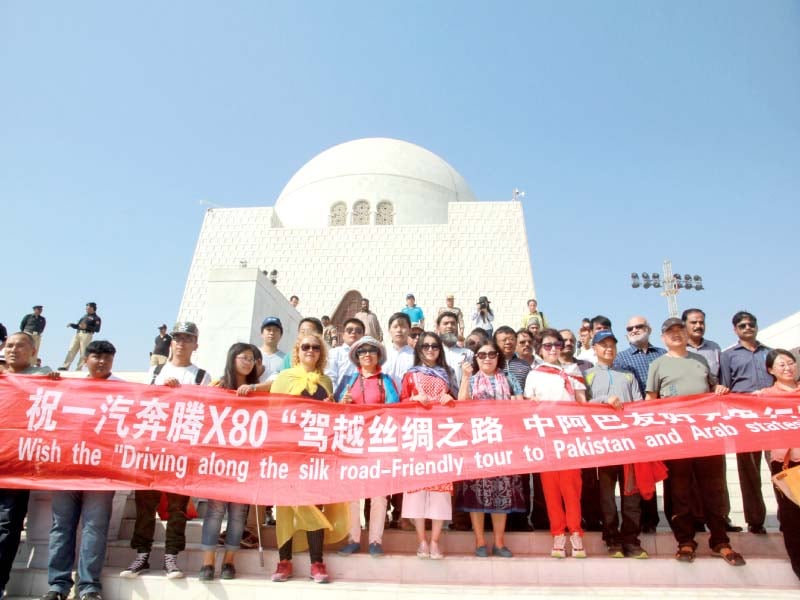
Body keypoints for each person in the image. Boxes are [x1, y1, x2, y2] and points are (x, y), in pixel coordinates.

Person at [646, 318, 744, 566]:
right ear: (663, 337)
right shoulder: (657, 365)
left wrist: (720, 391)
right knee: (679, 492)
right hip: (676, 439)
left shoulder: (700, 361)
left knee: (714, 490)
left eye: (680, 330)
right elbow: (651, 401)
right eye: (671, 331)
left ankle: (720, 541)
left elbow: (713, 390)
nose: (676, 334)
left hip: (706, 437)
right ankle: (685, 541)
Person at [121, 322, 211, 580]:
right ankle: (142, 553)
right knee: (145, 502)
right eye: (178, 338)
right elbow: (143, 404)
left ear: (196, 344)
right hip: (152, 447)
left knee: (177, 506)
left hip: (181, 448)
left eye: (187, 338)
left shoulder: (200, 375)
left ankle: (172, 555)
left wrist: (179, 394)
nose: (181, 343)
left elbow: (203, 409)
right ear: (171, 342)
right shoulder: (155, 371)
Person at [41, 340, 121, 600]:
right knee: (61, 527)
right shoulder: (69, 386)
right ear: (85, 359)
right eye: (96, 356)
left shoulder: (124, 391)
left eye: (107, 358)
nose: (101, 362)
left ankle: (88, 587)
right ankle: (57, 585)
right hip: (67, 469)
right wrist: (49, 382)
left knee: (94, 528)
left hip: (102, 472)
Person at [270, 333, 346, 583]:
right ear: (297, 351)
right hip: (287, 452)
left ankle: (317, 562)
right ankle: (284, 562)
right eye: (305, 347)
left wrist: (334, 406)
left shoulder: (325, 381)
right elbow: (274, 415)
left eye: (315, 347)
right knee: (285, 507)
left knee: (313, 501)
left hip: (315, 454)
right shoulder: (284, 378)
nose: (310, 351)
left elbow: (328, 417)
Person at [0, 333, 58, 599]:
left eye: (20, 345)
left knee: (7, 526)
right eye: (9, 345)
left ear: (33, 350)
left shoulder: (43, 377)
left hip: (16, 465)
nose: (14, 350)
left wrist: (55, 383)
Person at [199, 343, 260, 581]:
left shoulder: (258, 392)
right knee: (214, 513)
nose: (247, 362)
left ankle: (229, 562)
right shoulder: (217, 386)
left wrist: (253, 387)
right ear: (232, 358)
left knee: (237, 515)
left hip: (245, 462)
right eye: (243, 357)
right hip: (219, 461)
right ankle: (207, 563)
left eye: (252, 359)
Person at [457, 340, 525, 557]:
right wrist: (466, 377)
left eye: (491, 354)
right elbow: (461, 403)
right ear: (475, 358)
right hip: (478, 444)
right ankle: (479, 541)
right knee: (477, 493)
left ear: (498, 356)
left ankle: (499, 542)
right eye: (482, 354)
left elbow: (521, 401)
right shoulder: (471, 379)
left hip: (503, 444)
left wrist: (517, 402)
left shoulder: (507, 378)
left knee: (501, 493)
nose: (487, 358)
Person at [583, 331, 648, 558]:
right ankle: (612, 540)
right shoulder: (587, 375)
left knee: (631, 495)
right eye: (603, 345)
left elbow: (639, 405)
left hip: (629, 444)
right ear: (595, 349)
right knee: (607, 497)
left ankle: (632, 540)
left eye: (612, 345)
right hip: (603, 445)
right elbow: (582, 405)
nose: (608, 349)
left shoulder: (628, 375)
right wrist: (603, 401)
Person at [523, 328, 587, 558]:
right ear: (539, 349)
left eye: (556, 345)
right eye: (547, 345)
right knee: (550, 488)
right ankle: (558, 533)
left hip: (570, 436)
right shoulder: (534, 374)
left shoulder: (572, 370)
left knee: (571, 487)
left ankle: (576, 532)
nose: (552, 349)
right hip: (546, 437)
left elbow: (582, 402)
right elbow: (530, 404)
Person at [336, 337, 399, 557]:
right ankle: (353, 538)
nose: (367, 354)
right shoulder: (349, 380)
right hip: (354, 444)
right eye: (362, 351)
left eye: (372, 350)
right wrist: (342, 404)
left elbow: (394, 407)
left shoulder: (386, 380)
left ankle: (375, 541)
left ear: (378, 356)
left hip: (378, 443)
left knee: (379, 495)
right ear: (357, 357)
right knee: (352, 494)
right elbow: (335, 410)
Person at [683, 308, 742, 533]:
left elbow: (722, 381)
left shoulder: (716, 349)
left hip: (711, 420)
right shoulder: (675, 351)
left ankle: (720, 518)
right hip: (687, 422)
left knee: (716, 474)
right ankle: (697, 519)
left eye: (701, 322)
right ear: (684, 325)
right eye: (693, 322)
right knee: (691, 475)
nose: (698, 326)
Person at [400, 332, 457, 559]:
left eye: (434, 346)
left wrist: (450, 400)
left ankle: (435, 541)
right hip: (417, 436)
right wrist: (413, 400)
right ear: (419, 349)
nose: (430, 350)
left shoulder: (448, 374)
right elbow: (400, 402)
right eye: (425, 346)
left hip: (441, 437)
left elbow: (457, 402)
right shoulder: (410, 375)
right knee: (417, 490)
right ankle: (421, 541)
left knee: (440, 492)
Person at [719, 311, 772, 535]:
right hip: (745, 421)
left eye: (751, 324)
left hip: (772, 420)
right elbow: (725, 389)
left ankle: (790, 513)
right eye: (742, 325)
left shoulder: (771, 353)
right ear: (735, 330)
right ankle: (756, 520)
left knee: (782, 469)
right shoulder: (729, 356)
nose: (747, 328)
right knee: (749, 473)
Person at [612, 315, 665, 533]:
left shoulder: (663, 355)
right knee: (638, 473)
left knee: (659, 473)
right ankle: (643, 520)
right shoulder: (621, 359)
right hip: (633, 423)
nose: (634, 330)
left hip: (661, 421)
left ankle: (654, 519)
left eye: (639, 326)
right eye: (630, 328)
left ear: (649, 329)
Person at [759, 349, 800, 580]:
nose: (787, 367)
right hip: (784, 464)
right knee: (792, 518)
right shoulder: (764, 396)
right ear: (771, 370)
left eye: (790, 362)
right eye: (781, 364)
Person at [382, 313, 416, 529]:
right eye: (395, 326)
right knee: (384, 466)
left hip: (407, 417)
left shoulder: (415, 355)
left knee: (404, 466)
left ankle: (402, 514)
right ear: (389, 329)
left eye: (403, 326)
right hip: (382, 418)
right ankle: (380, 514)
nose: (399, 330)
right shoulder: (380, 354)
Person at [326, 317, 365, 396]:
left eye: (358, 331)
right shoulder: (334, 353)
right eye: (349, 330)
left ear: (363, 336)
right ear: (343, 335)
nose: (353, 332)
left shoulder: (368, 355)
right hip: (338, 400)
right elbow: (329, 378)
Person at [59, 302, 102, 371]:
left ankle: (79, 368)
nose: (86, 309)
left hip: (87, 335)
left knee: (83, 352)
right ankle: (65, 366)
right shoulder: (84, 316)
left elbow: (97, 329)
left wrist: (87, 327)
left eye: (88, 308)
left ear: (92, 308)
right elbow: (78, 326)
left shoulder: (96, 318)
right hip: (78, 334)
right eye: (86, 308)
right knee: (72, 349)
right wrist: (72, 325)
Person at [438, 311, 473, 391]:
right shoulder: (432, 353)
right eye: (445, 323)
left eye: (453, 323)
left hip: (461, 400)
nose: (449, 326)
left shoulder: (468, 353)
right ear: (438, 327)